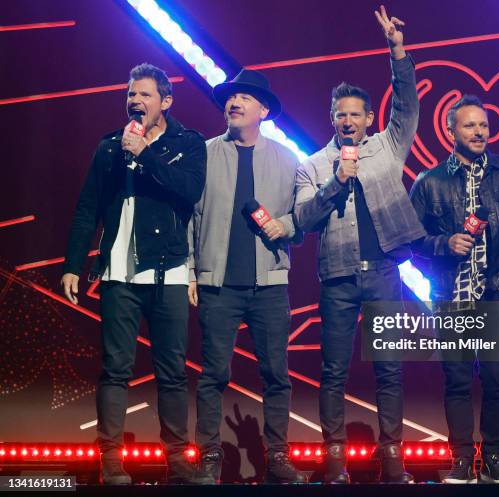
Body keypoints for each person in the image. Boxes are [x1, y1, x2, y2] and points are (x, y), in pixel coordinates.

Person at [294, 5, 426, 484]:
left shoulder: (389, 146)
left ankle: (392, 455)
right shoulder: (312, 164)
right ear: (331, 118)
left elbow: (408, 104)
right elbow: (304, 219)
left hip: (385, 273)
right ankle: (334, 456)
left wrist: (397, 51)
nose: (348, 121)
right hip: (339, 278)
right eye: (340, 114)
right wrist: (335, 182)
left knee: (389, 369)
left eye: (356, 114)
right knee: (333, 371)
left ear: (370, 118)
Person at [61, 63, 206, 484]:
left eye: (144, 94)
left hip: (169, 272)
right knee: (115, 368)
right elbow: (88, 208)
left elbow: (190, 191)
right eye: (131, 94)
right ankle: (110, 459)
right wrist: (74, 264)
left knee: (173, 370)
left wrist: (146, 155)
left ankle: (177, 458)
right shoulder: (109, 147)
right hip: (118, 273)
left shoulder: (189, 143)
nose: (135, 101)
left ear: (166, 101)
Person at [409, 94, 499, 484]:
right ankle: (462, 459)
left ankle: (495, 458)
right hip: (453, 295)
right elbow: (412, 240)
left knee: (498, 378)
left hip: (496, 292)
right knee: (457, 380)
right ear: (450, 131)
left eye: (483, 124)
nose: (479, 131)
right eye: (470, 125)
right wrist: (443, 244)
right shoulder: (429, 182)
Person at [188, 68, 305, 484]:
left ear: (264, 110)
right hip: (217, 284)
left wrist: (286, 226)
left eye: (244, 98)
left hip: (269, 285)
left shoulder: (288, 159)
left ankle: (277, 455)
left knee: (276, 374)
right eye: (230, 98)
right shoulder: (204, 153)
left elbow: (303, 215)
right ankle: (210, 455)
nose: (233, 103)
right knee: (213, 374)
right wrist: (190, 272)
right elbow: (191, 216)